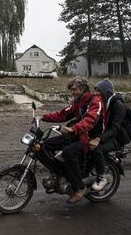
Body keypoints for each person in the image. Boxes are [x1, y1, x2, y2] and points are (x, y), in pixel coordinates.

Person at [40, 76, 105, 204]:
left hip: (90, 137)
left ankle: (80, 188)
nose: (72, 92)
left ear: (83, 88)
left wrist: (73, 129)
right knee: (46, 145)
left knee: (69, 152)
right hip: (77, 134)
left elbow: (90, 120)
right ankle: (60, 173)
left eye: (74, 89)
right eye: (71, 90)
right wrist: (43, 117)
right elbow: (63, 114)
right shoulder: (77, 102)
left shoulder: (95, 101)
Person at [89, 78, 129, 191]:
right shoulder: (104, 103)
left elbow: (115, 129)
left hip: (116, 138)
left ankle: (101, 177)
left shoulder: (118, 106)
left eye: (98, 91)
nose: (95, 93)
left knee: (97, 149)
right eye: (95, 90)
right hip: (106, 134)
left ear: (106, 92)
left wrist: (98, 139)